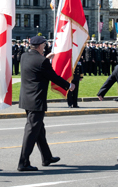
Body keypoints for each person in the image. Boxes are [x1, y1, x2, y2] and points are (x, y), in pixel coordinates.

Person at [17, 36, 75, 171]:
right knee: (31, 131)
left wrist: (46, 58)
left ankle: (47, 157)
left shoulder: (25, 56)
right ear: (39, 46)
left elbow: (37, 66)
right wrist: (69, 85)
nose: (45, 47)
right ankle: (23, 162)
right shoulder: (43, 62)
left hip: (26, 99)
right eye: (44, 45)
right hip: (36, 100)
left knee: (39, 130)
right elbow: (53, 77)